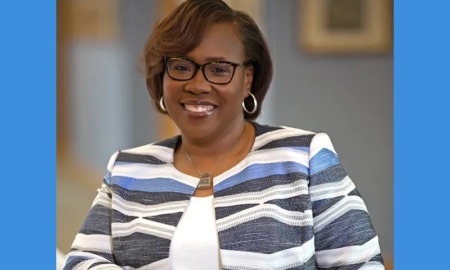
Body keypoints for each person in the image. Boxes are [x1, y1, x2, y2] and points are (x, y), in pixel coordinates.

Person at [64, 0, 385, 269]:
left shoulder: (304, 157)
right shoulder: (128, 169)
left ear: (247, 78)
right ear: (162, 76)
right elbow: (81, 261)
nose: (197, 84)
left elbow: (361, 265)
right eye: (181, 66)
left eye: (218, 69)